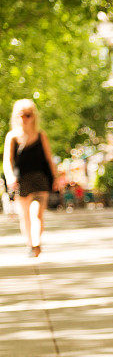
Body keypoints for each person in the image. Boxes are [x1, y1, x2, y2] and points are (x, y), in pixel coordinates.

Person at [3, 99, 56, 257]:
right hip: (21, 180)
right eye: (22, 115)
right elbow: (7, 161)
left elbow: (49, 159)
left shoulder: (41, 136)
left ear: (34, 116)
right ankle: (30, 244)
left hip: (40, 179)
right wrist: (10, 177)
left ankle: (36, 243)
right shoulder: (12, 137)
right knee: (24, 216)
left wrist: (56, 178)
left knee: (37, 213)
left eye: (28, 115)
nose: (25, 118)